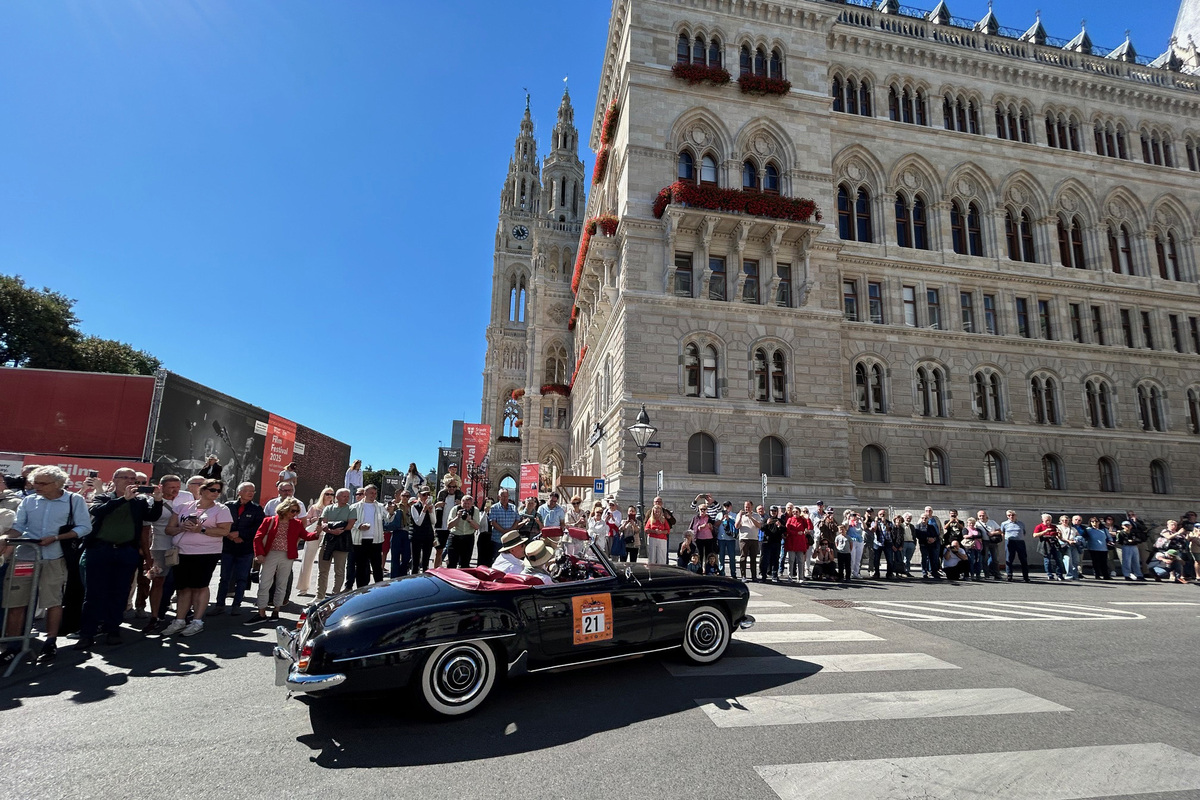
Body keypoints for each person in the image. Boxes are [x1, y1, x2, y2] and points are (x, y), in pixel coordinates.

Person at [1, 466, 91, 664]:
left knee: (53, 601)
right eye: (35, 482)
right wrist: (5, 538)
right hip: (25, 557)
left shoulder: (73, 500)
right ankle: (14, 646)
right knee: (16, 600)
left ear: (58, 484)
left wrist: (57, 537)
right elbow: (18, 527)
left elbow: (85, 527)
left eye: (42, 483)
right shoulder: (29, 500)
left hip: (54, 556)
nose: (36, 486)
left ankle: (50, 642)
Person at [78, 468, 163, 649]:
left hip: (125, 551)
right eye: (126, 478)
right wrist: (123, 499)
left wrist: (157, 500)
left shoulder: (139, 501)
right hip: (101, 550)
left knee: (120, 593)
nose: (130, 481)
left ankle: (113, 629)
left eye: (134, 479)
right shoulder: (104, 496)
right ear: (115, 479)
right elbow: (98, 510)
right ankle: (87, 633)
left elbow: (152, 516)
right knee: (94, 594)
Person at [161, 479, 231, 637]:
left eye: (218, 491)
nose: (216, 493)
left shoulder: (222, 509)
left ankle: (197, 621)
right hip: (183, 552)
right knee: (183, 588)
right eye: (213, 490)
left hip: (207, 553)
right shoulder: (184, 507)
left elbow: (224, 531)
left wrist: (202, 529)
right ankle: (179, 620)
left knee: (200, 586)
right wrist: (181, 527)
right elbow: (168, 529)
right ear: (203, 490)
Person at [245, 497, 317, 625]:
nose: (295, 514)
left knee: (281, 583)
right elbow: (257, 538)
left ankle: (276, 610)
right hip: (270, 554)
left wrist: (317, 533)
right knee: (264, 583)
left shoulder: (296, 523)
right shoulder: (269, 521)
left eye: (297, 511)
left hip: (287, 556)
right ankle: (261, 612)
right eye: (293, 511)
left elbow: (305, 535)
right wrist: (259, 554)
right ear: (285, 509)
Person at [141, 474, 190, 632]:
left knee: (183, 582)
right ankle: (154, 616)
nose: (176, 490)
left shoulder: (186, 497)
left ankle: (182, 615)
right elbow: (146, 529)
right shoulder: (152, 501)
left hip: (184, 546)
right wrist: (147, 554)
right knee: (158, 581)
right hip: (160, 546)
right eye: (171, 487)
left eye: (177, 486)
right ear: (161, 487)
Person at [212, 482, 264, 616]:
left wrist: (240, 534)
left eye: (253, 491)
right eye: (247, 490)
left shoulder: (257, 509)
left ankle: (236, 605)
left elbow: (258, 529)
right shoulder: (228, 506)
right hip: (228, 547)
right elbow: (221, 523)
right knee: (224, 578)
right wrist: (231, 535)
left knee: (241, 578)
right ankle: (219, 605)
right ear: (239, 492)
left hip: (245, 549)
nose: (251, 493)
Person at [317, 489, 356, 600]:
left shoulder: (351, 509)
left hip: (343, 541)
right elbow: (323, 523)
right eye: (343, 496)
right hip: (328, 540)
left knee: (339, 570)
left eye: (347, 496)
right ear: (337, 497)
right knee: (323, 570)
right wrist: (331, 531)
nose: (346, 498)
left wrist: (332, 528)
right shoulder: (328, 508)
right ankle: (320, 596)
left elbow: (349, 525)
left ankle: (335, 595)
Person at [297, 487, 334, 596]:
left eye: (332, 494)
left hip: (327, 535)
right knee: (307, 560)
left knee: (324, 563)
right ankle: (303, 588)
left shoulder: (334, 508)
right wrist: (313, 519)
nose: (329, 496)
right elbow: (306, 521)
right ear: (323, 494)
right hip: (313, 534)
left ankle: (322, 589)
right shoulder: (314, 507)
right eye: (327, 493)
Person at [349, 485, 387, 586]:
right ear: (365, 493)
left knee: (377, 567)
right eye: (371, 493)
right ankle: (361, 590)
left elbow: (388, 518)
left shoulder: (380, 506)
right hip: (359, 541)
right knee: (361, 567)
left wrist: (391, 512)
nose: (373, 495)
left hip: (376, 541)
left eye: (375, 493)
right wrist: (359, 526)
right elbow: (349, 522)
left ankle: (380, 589)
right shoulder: (355, 507)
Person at [433, 479, 464, 569]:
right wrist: (436, 506)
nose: (452, 488)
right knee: (439, 551)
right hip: (441, 527)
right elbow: (432, 510)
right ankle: (436, 570)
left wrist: (460, 505)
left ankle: (449, 571)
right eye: (449, 486)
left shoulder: (459, 497)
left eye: (454, 487)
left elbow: (466, 508)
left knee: (452, 552)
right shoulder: (442, 495)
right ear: (446, 487)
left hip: (453, 528)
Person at [446, 495, 481, 569]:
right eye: (464, 504)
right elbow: (449, 526)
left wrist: (469, 520)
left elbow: (477, 527)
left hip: (468, 538)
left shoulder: (475, 510)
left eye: (468, 504)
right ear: (461, 503)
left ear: (472, 504)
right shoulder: (455, 509)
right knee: (452, 562)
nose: (466, 506)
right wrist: (457, 517)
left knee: (465, 563)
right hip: (455, 537)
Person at [385, 490, 413, 577]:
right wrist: (391, 512)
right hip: (397, 532)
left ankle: (402, 575)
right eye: (403, 496)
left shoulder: (411, 507)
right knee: (395, 557)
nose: (405, 498)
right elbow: (388, 519)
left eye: (407, 496)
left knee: (406, 557)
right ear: (400, 496)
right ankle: (394, 577)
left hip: (407, 533)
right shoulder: (396, 506)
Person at [409, 489, 436, 573]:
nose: (426, 497)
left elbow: (434, 521)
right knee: (415, 561)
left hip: (428, 535)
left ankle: (425, 579)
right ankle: (414, 580)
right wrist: (424, 510)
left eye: (428, 494)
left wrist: (431, 512)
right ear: (419, 496)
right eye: (424, 495)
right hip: (417, 536)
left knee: (426, 561)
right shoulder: (414, 506)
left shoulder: (431, 506)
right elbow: (418, 522)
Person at [1032, 514, 1065, 581]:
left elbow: (1060, 537)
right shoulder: (1039, 526)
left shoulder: (1054, 526)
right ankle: (1050, 575)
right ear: (1043, 520)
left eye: (1049, 520)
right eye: (1047, 520)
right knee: (1047, 560)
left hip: (1054, 542)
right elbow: (1035, 535)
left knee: (1058, 559)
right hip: (1045, 542)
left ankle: (1059, 574)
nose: (1048, 522)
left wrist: (1059, 533)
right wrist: (1045, 531)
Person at [1000, 510, 1031, 582]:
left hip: (1020, 542)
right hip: (1010, 542)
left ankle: (1026, 577)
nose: (1011, 516)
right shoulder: (1004, 524)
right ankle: (1009, 575)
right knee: (1009, 559)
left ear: (1015, 515)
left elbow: (1023, 532)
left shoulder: (1021, 523)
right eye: (1009, 515)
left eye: (1012, 515)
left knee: (1023, 559)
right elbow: (1002, 533)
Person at [736, 502, 763, 581]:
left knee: (753, 558)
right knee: (743, 557)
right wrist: (740, 516)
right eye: (745, 507)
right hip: (744, 539)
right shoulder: (740, 515)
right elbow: (736, 526)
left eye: (748, 507)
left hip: (754, 539)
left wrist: (751, 517)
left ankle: (754, 576)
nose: (747, 509)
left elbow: (759, 526)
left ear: (752, 507)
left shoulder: (756, 515)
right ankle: (743, 575)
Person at [784, 506, 810, 582]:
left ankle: (800, 577)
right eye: (793, 512)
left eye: (796, 512)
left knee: (800, 561)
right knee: (791, 560)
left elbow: (809, 527)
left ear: (799, 513)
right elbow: (787, 530)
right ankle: (790, 576)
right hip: (791, 542)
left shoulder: (802, 520)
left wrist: (807, 518)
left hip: (800, 542)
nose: (795, 513)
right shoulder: (790, 519)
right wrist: (796, 533)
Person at [761, 505, 787, 582]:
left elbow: (784, 530)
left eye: (775, 511)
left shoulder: (780, 521)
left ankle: (775, 575)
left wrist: (780, 526)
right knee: (765, 559)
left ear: (777, 512)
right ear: (770, 512)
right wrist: (767, 524)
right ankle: (763, 575)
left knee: (775, 559)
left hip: (776, 542)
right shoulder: (766, 519)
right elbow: (762, 528)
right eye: (772, 511)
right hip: (767, 542)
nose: (773, 512)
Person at [976, 510, 1004, 580]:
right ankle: (986, 575)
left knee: (995, 559)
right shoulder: (977, 524)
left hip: (993, 542)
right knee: (984, 559)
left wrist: (993, 533)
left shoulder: (992, 522)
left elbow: (1000, 531)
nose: (982, 517)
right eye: (980, 516)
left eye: (983, 515)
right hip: (984, 542)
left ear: (986, 515)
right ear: (978, 516)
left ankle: (997, 574)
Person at [916, 509, 942, 580]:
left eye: (926, 518)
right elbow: (918, 535)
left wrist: (933, 539)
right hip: (924, 545)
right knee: (924, 559)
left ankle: (934, 572)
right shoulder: (918, 526)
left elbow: (936, 535)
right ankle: (924, 572)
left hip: (932, 545)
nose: (924, 519)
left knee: (933, 559)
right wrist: (927, 539)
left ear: (928, 519)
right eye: (923, 518)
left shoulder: (931, 527)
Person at [644, 499, 671, 565]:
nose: (657, 513)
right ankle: (651, 569)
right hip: (652, 538)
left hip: (662, 539)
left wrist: (661, 532)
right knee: (652, 556)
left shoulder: (663, 520)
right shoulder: (650, 519)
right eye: (656, 512)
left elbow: (668, 530)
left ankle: (661, 569)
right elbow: (646, 529)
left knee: (661, 557)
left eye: (659, 512)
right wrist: (654, 531)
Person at [846, 511, 866, 580]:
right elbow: (845, 528)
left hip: (859, 541)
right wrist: (848, 519)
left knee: (858, 558)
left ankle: (856, 573)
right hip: (852, 541)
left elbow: (865, 528)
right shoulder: (848, 522)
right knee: (852, 558)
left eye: (855, 515)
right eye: (852, 515)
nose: (854, 516)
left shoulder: (859, 523)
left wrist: (861, 519)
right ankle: (850, 572)